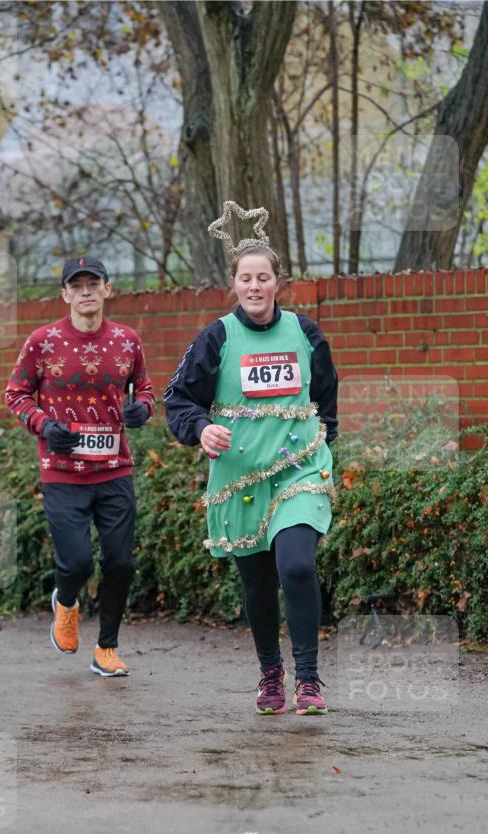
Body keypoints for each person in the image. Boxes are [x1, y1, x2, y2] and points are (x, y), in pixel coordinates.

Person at [165, 202, 338, 716]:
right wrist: (202, 430)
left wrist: (324, 446)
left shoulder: (306, 333)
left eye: (264, 277)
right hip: (239, 477)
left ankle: (307, 679)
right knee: (258, 582)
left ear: (278, 283)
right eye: (246, 278)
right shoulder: (215, 338)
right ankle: (270, 675)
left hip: (300, 469)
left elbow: (327, 396)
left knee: (298, 566)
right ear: (234, 284)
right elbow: (178, 400)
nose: (256, 286)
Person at [5, 255, 154, 677]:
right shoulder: (43, 340)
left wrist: (142, 409)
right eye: (77, 285)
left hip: (114, 469)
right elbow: (15, 394)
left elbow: (144, 388)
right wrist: (44, 425)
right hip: (62, 472)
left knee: (121, 562)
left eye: (94, 283)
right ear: (65, 294)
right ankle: (65, 602)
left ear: (108, 289)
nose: (86, 291)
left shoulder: (127, 340)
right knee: (76, 564)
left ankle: (106, 648)